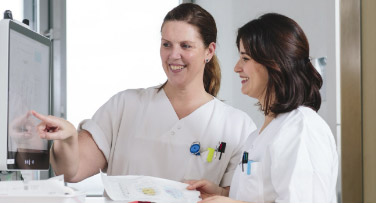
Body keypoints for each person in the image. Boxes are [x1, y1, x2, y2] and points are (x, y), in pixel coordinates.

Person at [31, 3, 256, 191]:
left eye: (185, 46)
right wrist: (68, 138)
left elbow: (237, 196)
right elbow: (72, 171)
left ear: (209, 51)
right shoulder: (124, 106)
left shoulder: (237, 126)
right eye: (166, 44)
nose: (173, 55)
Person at [187, 13, 338, 203]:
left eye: (245, 58)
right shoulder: (259, 135)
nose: (236, 67)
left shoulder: (302, 128)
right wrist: (221, 194)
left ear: (274, 63)